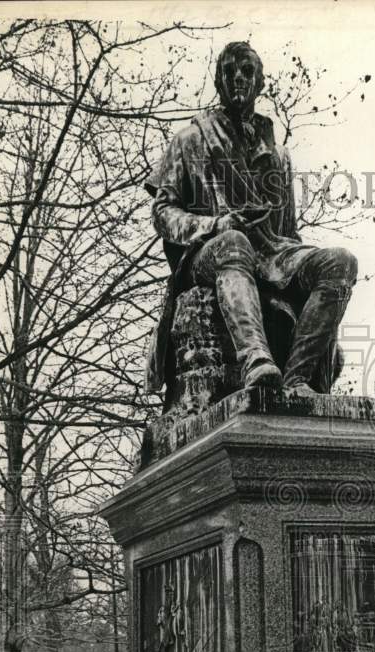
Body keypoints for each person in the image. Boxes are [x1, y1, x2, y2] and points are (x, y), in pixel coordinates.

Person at [144, 41, 358, 399]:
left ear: (260, 83)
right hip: (209, 252)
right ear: (218, 81)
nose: (238, 78)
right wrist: (215, 225)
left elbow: (288, 231)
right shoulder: (191, 139)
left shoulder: (278, 155)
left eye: (247, 71)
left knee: (340, 262)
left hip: (271, 253)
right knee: (235, 242)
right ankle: (256, 361)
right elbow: (163, 212)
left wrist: (298, 268)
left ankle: (296, 379)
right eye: (230, 71)